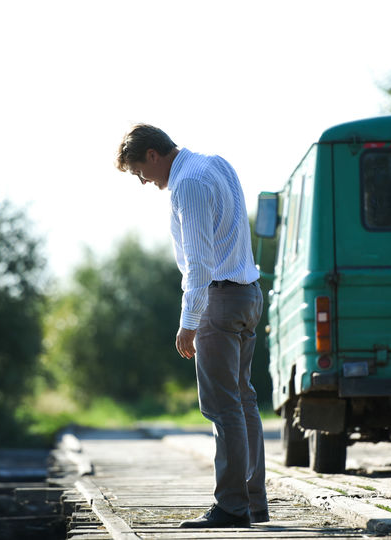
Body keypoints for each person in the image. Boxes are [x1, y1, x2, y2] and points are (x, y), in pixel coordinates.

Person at [115, 124, 268, 528]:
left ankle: (232, 507)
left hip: (220, 298)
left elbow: (199, 264)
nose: (144, 182)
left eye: (139, 172)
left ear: (152, 154)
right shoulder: (216, 164)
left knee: (222, 407)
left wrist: (189, 322)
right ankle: (253, 502)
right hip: (248, 292)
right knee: (243, 400)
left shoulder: (188, 184)